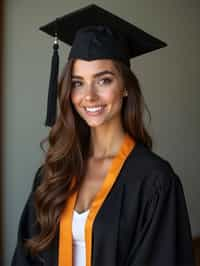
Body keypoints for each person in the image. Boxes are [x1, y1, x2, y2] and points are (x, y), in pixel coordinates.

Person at [11, 4, 195, 266]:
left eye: (103, 80)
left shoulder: (154, 181)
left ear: (125, 87)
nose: (89, 96)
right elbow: (25, 256)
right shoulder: (52, 172)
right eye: (78, 83)